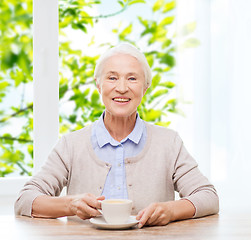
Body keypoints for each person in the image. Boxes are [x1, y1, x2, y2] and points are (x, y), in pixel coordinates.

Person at [14, 43, 219, 228]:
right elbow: (25, 199)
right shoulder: (71, 145)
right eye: (112, 78)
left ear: (145, 87)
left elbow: (208, 197)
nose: (121, 88)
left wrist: (171, 210)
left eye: (132, 78)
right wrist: (71, 204)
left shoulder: (169, 142)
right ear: (98, 85)